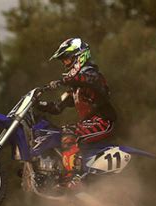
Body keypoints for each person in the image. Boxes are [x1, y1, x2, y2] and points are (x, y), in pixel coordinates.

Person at [38, 38, 117, 189]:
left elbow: (85, 79)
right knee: (57, 133)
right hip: (90, 123)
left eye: (67, 59)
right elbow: (57, 107)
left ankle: (73, 177)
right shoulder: (75, 89)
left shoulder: (93, 75)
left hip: (103, 121)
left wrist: (64, 80)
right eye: (64, 61)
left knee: (69, 132)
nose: (65, 64)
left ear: (80, 56)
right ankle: (61, 173)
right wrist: (37, 103)